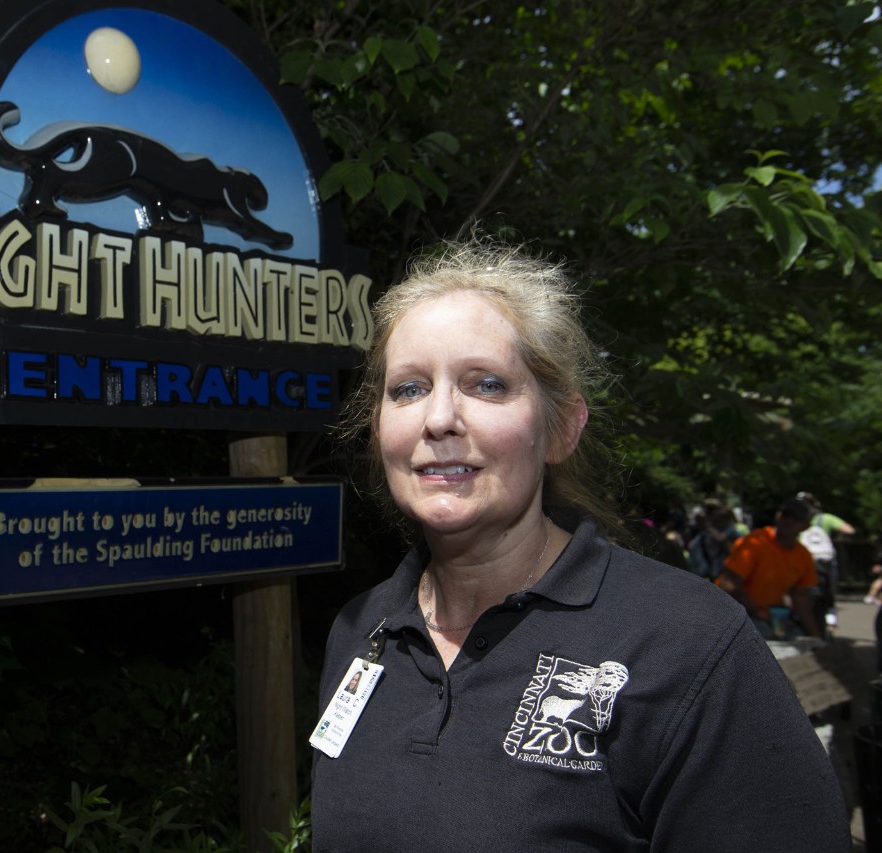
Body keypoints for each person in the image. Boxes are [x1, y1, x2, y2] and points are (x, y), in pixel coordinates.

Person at [310, 238, 848, 851]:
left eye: (485, 384)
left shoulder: (688, 645)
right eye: (407, 389)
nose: (438, 418)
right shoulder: (360, 629)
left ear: (561, 428)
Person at [715, 498, 823, 640]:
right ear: (778, 516)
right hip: (733, 615)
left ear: (806, 526)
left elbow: (800, 598)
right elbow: (728, 585)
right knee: (764, 637)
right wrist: (759, 614)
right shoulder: (755, 543)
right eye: (786, 514)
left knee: (798, 639)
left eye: (797, 518)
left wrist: (815, 636)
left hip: (771, 619)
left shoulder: (803, 555)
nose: (789, 520)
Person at [795, 491, 856, 633]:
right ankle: (831, 621)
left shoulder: (795, 520)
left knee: (802, 594)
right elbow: (849, 530)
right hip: (824, 564)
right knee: (829, 593)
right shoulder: (826, 519)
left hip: (804, 562)